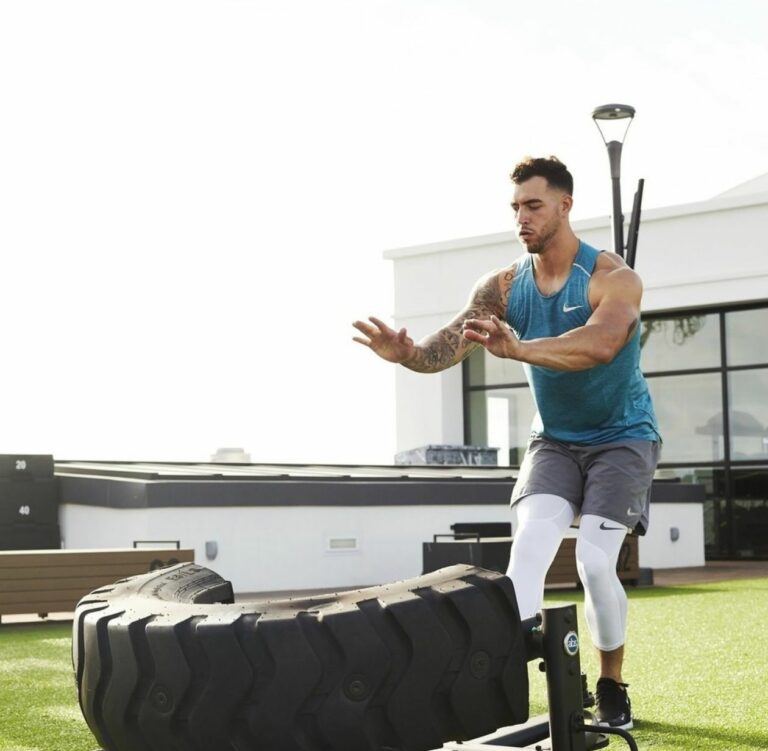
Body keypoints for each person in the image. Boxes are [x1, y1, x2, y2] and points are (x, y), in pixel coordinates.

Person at [352, 155, 660, 730]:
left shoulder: (612, 278)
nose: (522, 217)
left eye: (534, 205)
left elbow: (599, 345)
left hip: (623, 438)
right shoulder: (502, 286)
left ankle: (612, 684)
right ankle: (504, 690)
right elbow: (442, 348)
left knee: (595, 562)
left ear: (565, 205)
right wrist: (408, 355)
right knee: (525, 559)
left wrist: (520, 350)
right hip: (555, 443)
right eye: (516, 207)